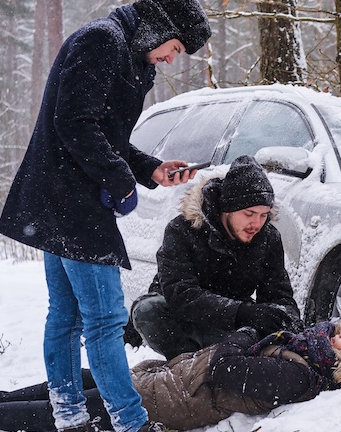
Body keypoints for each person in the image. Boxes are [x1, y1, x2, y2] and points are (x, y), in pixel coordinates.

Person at [0, 0, 213, 432]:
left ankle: (72, 423)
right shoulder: (103, 42)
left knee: (68, 317)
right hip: (73, 203)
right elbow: (74, 123)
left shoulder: (121, 50)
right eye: (174, 48)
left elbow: (104, 133)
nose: (172, 60)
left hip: (60, 199)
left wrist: (150, 169)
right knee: (105, 320)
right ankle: (134, 431)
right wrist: (122, 184)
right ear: (159, 27)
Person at [0, 320, 341, 432]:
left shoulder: (299, 376)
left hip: (175, 401)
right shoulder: (300, 349)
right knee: (78, 380)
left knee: (75, 407)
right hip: (174, 379)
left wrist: (240, 333)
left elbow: (226, 366)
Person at [130, 155, 303, 361]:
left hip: (230, 325)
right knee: (147, 310)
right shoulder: (182, 229)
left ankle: (227, 359)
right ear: (227, 209)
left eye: (263, 214)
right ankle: (186, 364)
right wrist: (243, 312)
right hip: (184, 319)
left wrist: (286, 321)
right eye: (249, 214)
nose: (256, 223)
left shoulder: (268, 237)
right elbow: (180, 293)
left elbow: (280, 295)